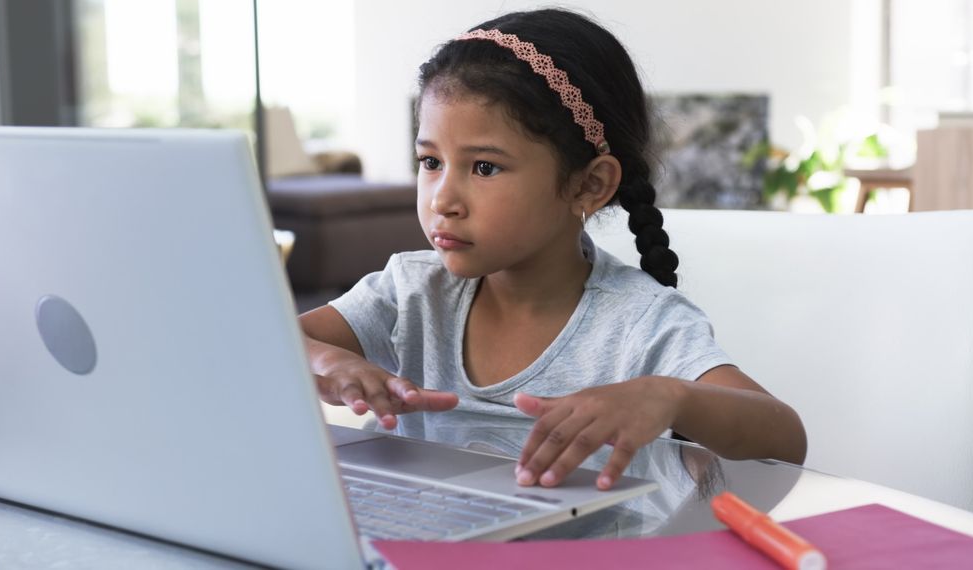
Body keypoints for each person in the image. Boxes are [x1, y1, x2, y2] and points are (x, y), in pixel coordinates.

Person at [300, 8, 807, 490]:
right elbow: (261, 339)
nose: (443, 200)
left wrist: (671, 397)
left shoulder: (641, 323)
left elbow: (785, 440)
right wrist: (327, 362)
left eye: (484, 168)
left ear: (589, 185)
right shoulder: (409, 292)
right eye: (430, 162)